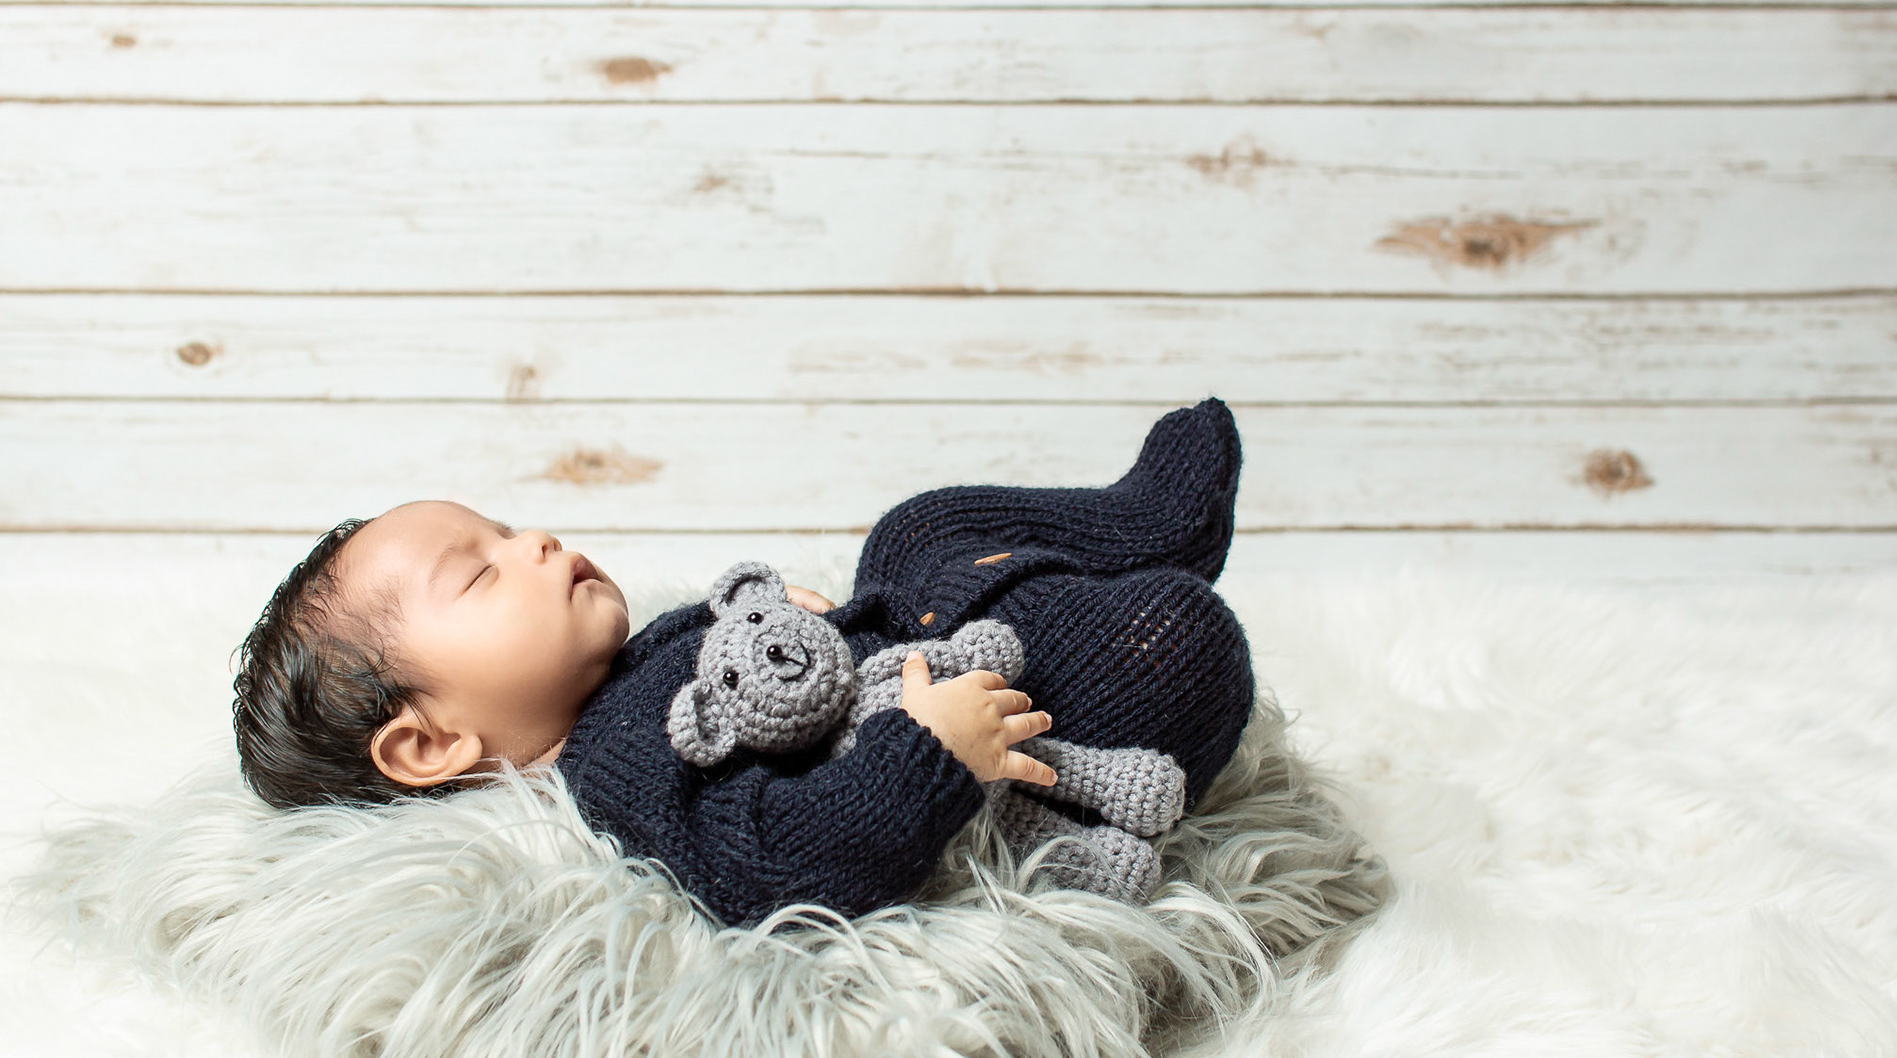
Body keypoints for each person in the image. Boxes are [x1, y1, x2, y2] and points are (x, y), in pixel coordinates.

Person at [232, 400, 1256, 926]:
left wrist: (779, 612)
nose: (534, 540)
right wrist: (931, 754)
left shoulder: (622, 680)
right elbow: (774, 859)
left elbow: (728, 654)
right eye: (481, 574)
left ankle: (1147, 518)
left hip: (900, 650)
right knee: (1170, 639)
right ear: (428, 739)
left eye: (503, 526)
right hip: (999, 733)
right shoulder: (612, 770)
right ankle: (1149, 567)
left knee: (915, 530)